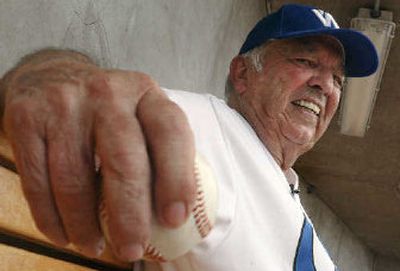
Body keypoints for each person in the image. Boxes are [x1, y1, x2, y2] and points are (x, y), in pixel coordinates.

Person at [0, 3, 377, 270]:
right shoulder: (202, 126)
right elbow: (93, 102)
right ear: (243, 74)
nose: (324, 85)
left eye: (337, 79)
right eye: (305, 61)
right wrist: (55, 71)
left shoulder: (287, 190)